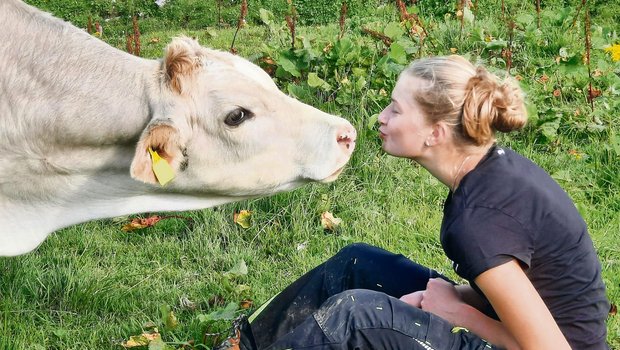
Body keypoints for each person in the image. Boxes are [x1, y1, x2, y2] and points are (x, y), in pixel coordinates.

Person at [229, 55, 610, 350]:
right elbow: (522, 279)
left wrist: (456, 311)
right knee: (357, 263)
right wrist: (455, 295)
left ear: (435, 133)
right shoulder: (490, 172)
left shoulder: (476, 222)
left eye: (395, 109)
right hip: (519, 329)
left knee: (356, 316)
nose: (381, 117)